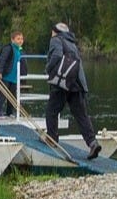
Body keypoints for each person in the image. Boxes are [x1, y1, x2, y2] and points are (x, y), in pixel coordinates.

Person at [43, 22, 101, 160]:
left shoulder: (56, 40)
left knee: (51, 110)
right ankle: (92, 142)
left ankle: (52, 138)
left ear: (54, 31)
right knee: (81, 115)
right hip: (77, 83)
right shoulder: (72, 42)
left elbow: (56, 56)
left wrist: (48, 68)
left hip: (62, 82)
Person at [0, 31, 25, 116]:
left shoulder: (20, 50)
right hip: (6, 76)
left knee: (12, 96)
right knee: (1, 95)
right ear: (12, 40)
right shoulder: (8, 48)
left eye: (22, 39)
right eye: (18, 39)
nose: (20, 41)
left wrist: (23, 75)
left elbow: (22, 64)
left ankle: (9, 112)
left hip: (14, 78)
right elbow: (2, 60)